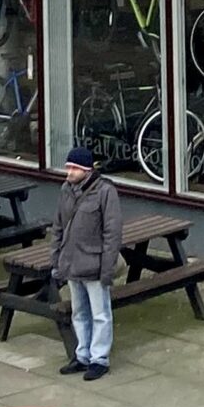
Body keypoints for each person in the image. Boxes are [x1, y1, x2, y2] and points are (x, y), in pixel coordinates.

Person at [52, 145, 122, 381]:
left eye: (73, 168)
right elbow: (58, 227)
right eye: (68, 168)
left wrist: (107, 269)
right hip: (72, 264)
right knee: (79, 312)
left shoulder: (105, 192)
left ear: (86, 170)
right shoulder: (65, 190)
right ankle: (82, 355)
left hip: (94, 264)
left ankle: (99, 359)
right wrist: (57, 260)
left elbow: (112, 234)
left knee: (101, 313)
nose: (68, 173)